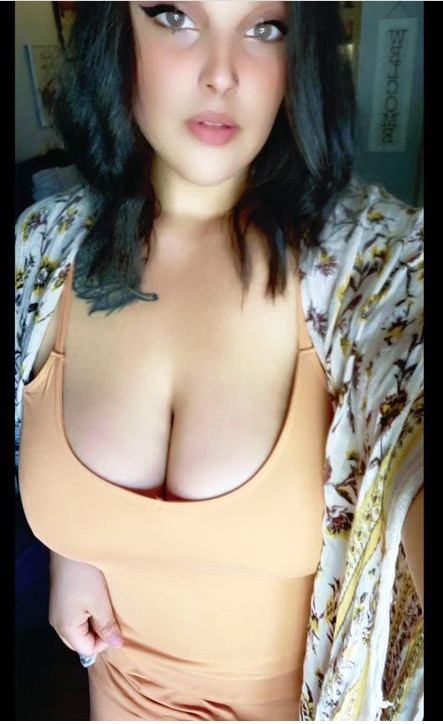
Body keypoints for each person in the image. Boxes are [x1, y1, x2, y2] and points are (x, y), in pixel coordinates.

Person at [15, 1, 423, 720]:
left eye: (265, 28)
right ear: (115, 31)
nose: (221, 73)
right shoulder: (44, 247)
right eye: (174, 15)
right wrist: (72, 552)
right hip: (117, 693)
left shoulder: (378, 269)